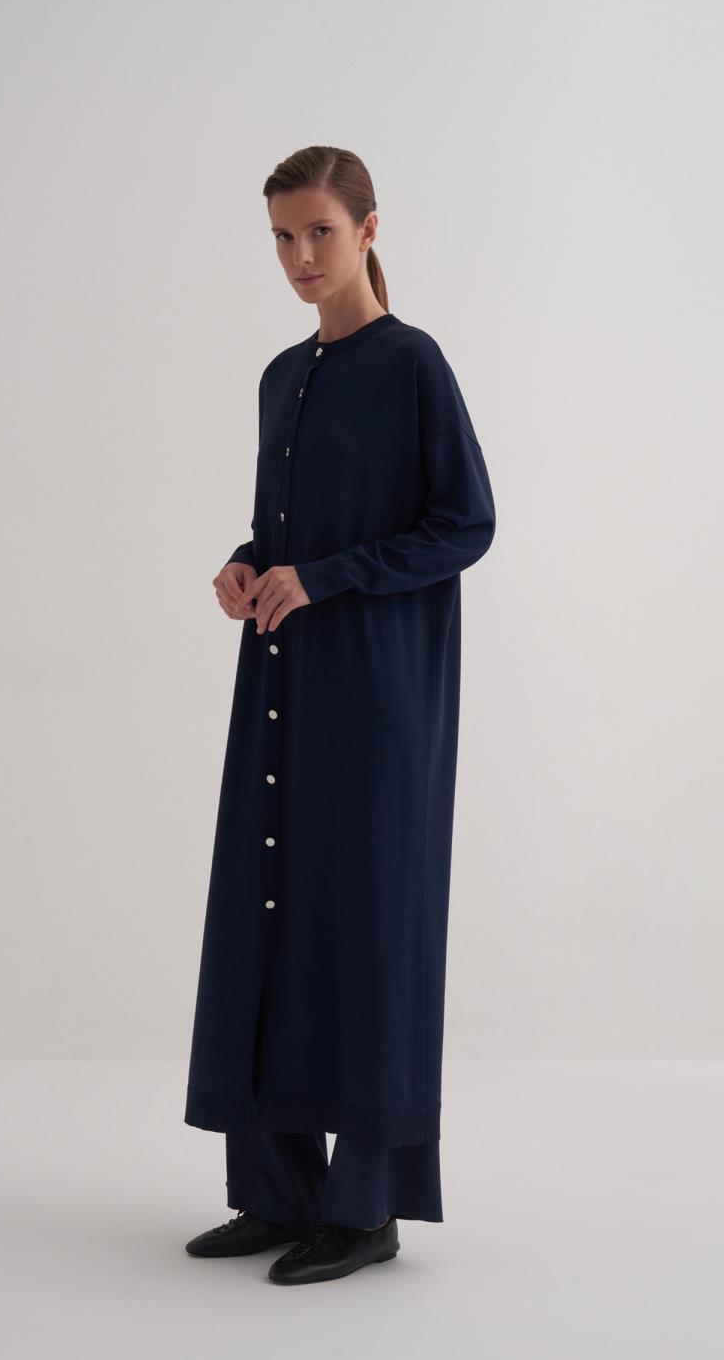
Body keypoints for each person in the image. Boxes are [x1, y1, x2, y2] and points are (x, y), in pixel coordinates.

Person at [182, 145, 496, 1285]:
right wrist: (248, 563)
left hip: (376, 692)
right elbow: (288, 526)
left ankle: (363, 1210)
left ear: (367, 229)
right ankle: (276, 1192)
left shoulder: (413, 364)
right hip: (283, 682)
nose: (300, 256)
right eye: (282, 236)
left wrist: (329, 578)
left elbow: (465, 522)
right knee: (266, 911)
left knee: (364, 924)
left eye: (319, 231)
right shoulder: (282, 376)